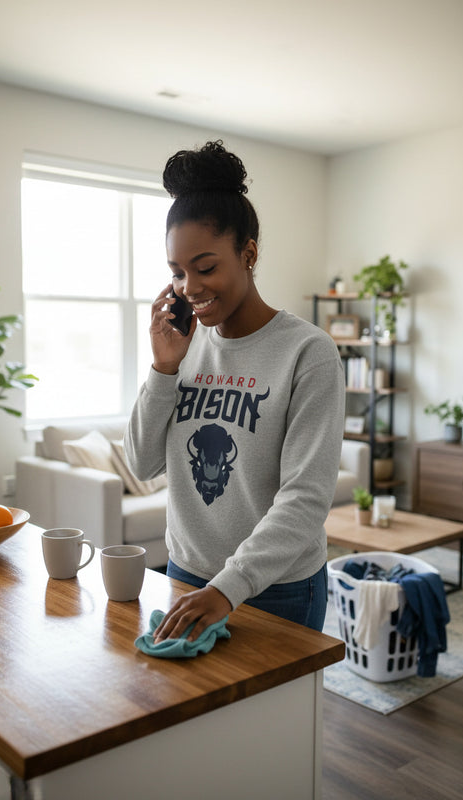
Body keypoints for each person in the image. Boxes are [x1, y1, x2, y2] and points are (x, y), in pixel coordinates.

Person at [124, 140, 345, 643]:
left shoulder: (308, 353)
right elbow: (140, 464)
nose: (189, 288)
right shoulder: (182, 346)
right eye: (177, 273)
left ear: (248, 254)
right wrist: (162, 368)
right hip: (186, 575)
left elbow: (306, 498)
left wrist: (228, 588)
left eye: (205, 268)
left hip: (278, 588)